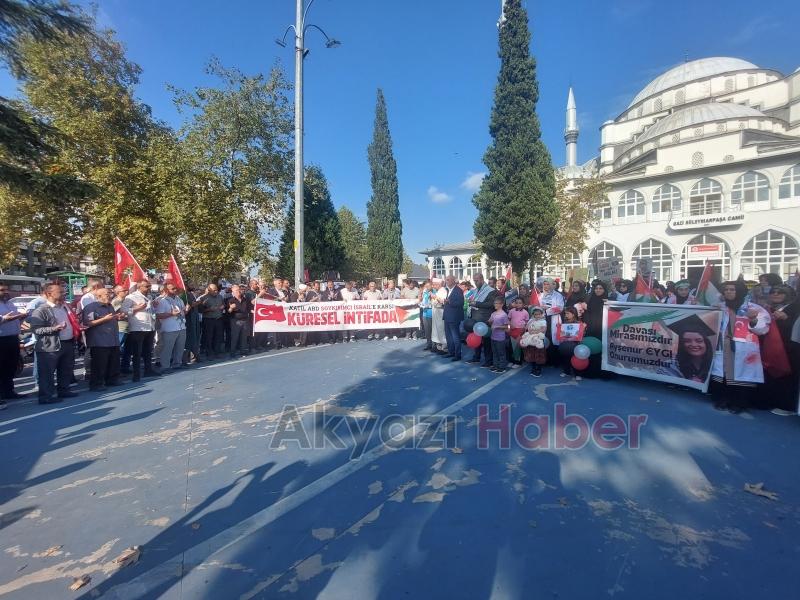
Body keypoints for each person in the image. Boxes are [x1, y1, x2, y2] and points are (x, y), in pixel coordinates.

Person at [710, 280, 771, 414]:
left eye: (732, 289)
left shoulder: (753, 308)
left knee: (740, 375)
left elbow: (763, 329)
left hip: (743, 347)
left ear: (740, 291)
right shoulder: (719, 307)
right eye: (726, 290)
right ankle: (724, 399)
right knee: (724, 373)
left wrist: (753, 319)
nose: (729, 292)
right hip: (723, 345)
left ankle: (739, 402)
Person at [28, 282, 80, 403]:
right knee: (47, 373)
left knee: (65, 369)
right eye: (60, 292)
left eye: (63, 291)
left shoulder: (65, 307)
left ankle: (64, 390)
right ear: (49, 294)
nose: (64, 294)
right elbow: (36, 329)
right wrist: (54, 329)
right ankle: (46, 397)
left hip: (67, 343)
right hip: (49, 347)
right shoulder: (41, 310)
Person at [764, 285, 799, 415]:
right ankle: (774, 401)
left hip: (789, 347)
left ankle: (787, 406)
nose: (776, 294)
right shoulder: (768, 308)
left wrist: (787, 319)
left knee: (788, 375)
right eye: (773, 292)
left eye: (780, 292)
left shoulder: (794, 308)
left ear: (788, 294)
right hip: (771, 346)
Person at [82, 287, 125, 390]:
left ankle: (112, 379)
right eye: (107, 294)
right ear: (99, 296)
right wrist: (104, 319)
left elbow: (111, 318)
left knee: (113, 361)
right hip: (99, 341)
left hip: (112, 339)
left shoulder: (110, 306)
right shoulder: (91, 307)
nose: (110, 295)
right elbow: (88, 323)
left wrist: (117, 317)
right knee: (99, 364)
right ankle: (96, 384)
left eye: (110, 293)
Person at [657, 314, 716, 383]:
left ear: (706, 343)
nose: (693, 345)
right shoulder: (669, 366)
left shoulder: (715, 365)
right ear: (681, 344)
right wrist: (685, 382)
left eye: (699, 341)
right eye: (687, 341)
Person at [122, 280, 160, 381]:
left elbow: (150, 310)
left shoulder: (150, 296)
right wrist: (136, 308)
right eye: (147, 286)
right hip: (138, 327)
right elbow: (124, 310)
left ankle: (148, 370)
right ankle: (136, 373)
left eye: (149, 286)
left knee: (148, 351)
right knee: (137, 352)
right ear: (139, 287)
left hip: (150, 326)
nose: (149, 288)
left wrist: (154, 305)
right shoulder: (131, 297)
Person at [0, 284, 28, 405]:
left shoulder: (9, 303)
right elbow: (4, 319)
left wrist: (21, 317)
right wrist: (5, 319)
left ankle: (9, 391)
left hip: (13, 338)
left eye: (6, 289)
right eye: (2, 290)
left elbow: (15, 318)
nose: (5, 292)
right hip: (1, 339)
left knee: (11, 366)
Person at [466, 274, 498, 367]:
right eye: (474, 281)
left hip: (485, 319)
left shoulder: (491, 291)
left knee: (486, 340)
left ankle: (488, 361)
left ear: (482, 279)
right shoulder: (475, 290)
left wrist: (476, 303)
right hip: (475, 317)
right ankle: (476, 357)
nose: (475, 283)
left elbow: (491, 304)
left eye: (477, 280)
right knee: (476, 338)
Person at [155, 282, 188, 369]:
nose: (175, 290)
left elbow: (183, 312)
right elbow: (158, 315)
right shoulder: (162, 301)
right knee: (167, 349)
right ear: (166, 290)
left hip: (181, 326)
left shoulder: (179, 299)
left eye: (175, 288)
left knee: (180, 347)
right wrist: (171, 314)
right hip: (169, 328)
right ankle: (165, 366)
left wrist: (187, 310)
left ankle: (177, 364)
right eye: (172, 289)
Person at [540, 278, 565, 361]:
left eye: (548, 284)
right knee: (543, 337)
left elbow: (560, 308)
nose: (546, 286)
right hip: (543, 318)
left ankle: (554, 360)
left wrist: (547, 310)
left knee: (553, 338)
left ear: (551, 285)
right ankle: (544, 359)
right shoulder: (540, 295)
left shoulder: (558, 295)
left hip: (554, 319)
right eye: (544, 284)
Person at [223, 284, 250, 358]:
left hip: (244, 320)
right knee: (235, 337)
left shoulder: (245, 299)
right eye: (237, 290)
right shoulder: (230, 300)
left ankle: (243, 351)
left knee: (244, 337)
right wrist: (231, 308)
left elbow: (248, 309)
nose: (239, 291)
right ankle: (233, 352)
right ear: (233, 291)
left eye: (239, 290)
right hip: (235, 321)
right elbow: (227, 312)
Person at [198, 283, 225, 358]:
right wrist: (209, 309)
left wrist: (223, 307)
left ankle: (217, 352)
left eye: (217, 290)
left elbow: (223, 304)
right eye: (214, 290)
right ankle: (209, 353)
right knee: (209, 337)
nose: (216, 291)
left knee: (218, 336)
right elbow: (200, 310)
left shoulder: (220, 297)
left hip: (218, 319)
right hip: (209, 320)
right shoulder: (204, 298)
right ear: (209, 290)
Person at [556, 306, 583, 380]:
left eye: (567, 313)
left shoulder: (579, 323)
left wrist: (582, 329)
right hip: (566, 344)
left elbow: (580, 335)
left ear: (573, 314)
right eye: (565, 314)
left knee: (575, 359)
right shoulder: (564, 323)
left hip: (575, 344)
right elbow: (562, 334)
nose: (566, 315)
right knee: (565, 357)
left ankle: (577, 373)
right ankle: (566, 371)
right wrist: (559, 329)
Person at [443, 275, 465, 361]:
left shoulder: (458, 290)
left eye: (448, 280)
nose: (446, 281)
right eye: (446, 280)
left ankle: (457, 354)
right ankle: (451, 352)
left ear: (453, 281)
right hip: (447, 316)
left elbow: (461, 303)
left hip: (454, 317)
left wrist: (449, 301)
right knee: (448, 336)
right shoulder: (448, 290)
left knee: (455, 337)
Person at [522, 307, 547, 377]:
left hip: (539, 340)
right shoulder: (531, 320)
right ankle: (533, 368)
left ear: (542, 314)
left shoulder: (543, 321)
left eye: (539, 314)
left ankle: (538, 369)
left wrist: (534, 332)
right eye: (535, 314)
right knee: (532, 354)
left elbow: (543, 330)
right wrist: (531, 321)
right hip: (531, 340)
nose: (537, 316)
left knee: (539, 355)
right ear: (533, 315)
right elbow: (527, 328)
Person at [488, 297, 509, 373]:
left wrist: (498, 326)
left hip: (500, 337)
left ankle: (502, 367)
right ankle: (496, 365)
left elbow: (507, 326)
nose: (495, 305)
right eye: (495, 303)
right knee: (494, 352)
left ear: (502, 304)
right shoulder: (493, 313)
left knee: (501, 353)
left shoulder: (504, 315)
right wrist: (490, 322)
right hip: (493, 336)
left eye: (497, 303)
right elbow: (491, 323)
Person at [183, 285, 203, 363]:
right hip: (188, 320)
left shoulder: (190, 294)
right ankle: (189, 357)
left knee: (196, 337)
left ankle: (195, 355)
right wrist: (195, 303)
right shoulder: (183, 296)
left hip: (194, 318)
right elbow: (189, 306)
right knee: (189, 339)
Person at [508, 296, 529, 365]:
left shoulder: (525, 312)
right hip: (512, 331)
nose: (518, 304)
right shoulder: (511, 311)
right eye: (516, 303)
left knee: (518, 347)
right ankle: (512, 360)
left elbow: (527, 323)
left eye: (520, 303)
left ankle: (518, 362)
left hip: (520, 332)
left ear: (523, 304)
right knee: (512, 346)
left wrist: (524, 331)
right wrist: (509, 326)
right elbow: (508, 320)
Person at [321, 279, 342, 344]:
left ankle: (336, 338)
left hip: (336, 311)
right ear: (327, 285)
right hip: (328, 312)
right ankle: (330, 338)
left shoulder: (337, 291)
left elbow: (341, 300)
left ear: (333, 285)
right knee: (329, 325)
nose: (330, 286)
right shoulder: (324, 292)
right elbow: (322, 301)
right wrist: (328, 299)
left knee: (337, 324)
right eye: (329, 285)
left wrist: (336, 299)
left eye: (331, 285)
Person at [430, 278, 447, 354]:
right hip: (436, 313)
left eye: (434, 284)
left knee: (441, 330)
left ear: (438, 284)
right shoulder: (438, 291)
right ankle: (438, 347)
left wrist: (435, 297)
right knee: (437, 330)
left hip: (440, 312)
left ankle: (444, 348)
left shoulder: (443, 291)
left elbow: (442, 302)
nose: (433, 286)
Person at [419, 280, 433, 351]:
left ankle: (434, 345)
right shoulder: (425, 292)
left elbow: (433, 302)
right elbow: (422, 300)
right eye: (426, 286)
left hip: (431, 313)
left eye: (428, 286)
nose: (427, 287)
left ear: (431, 285)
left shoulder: (433, 292)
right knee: (427, 330)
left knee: (432, 330)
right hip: (424, 312)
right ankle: (429, 344)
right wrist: (420, 294)